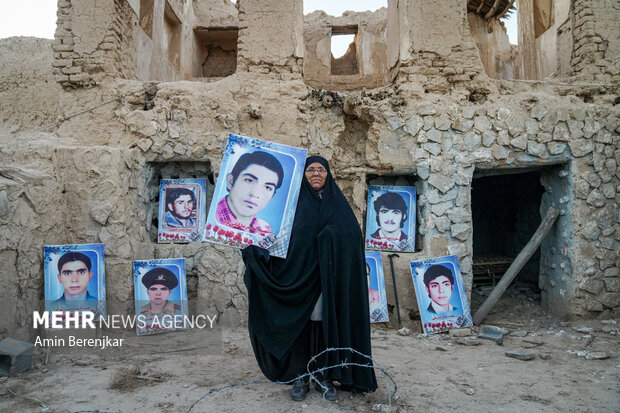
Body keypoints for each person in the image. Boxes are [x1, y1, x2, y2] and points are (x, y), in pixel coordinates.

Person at [242, 156, 377, 402]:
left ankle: (324, 375)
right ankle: (300, 377)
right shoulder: (291, 205)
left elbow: (351, 236)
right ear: (303, 175)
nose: (316, 174)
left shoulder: (337, 205)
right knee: (300, 327)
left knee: (324, 327)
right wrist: (255, 250)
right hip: (297, 279)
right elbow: (273, 237)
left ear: (328, 174)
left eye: (321, 170)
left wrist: (329, 236)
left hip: (327, 281)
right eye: (311, 170)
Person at [215, 151, 284, 235]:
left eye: (268, 187)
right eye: (249, 180)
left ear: (272, 196)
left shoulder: (264, 229)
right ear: (230, 181)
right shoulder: (212, 217)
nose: (255, 194)